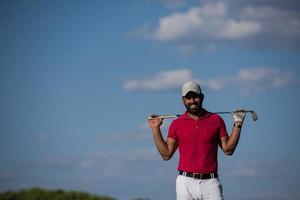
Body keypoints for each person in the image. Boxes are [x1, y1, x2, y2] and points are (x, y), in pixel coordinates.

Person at [148, 81, 245, 200]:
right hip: (185, 182)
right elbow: (166, 155)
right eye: (188, 97)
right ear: (183, 100)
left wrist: (237, 123)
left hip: (210, 182)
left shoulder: (216, 120)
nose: (192, 100)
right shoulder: (176, 124)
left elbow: (228, 150)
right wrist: (155, 129)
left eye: (195, 96)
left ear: (202, 97)